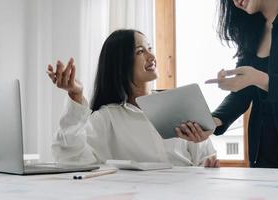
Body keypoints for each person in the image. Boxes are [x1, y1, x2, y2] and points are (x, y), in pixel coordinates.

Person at [47, 29, 219, 167]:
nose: (151, 57)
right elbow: (69, 158)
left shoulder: (180, 105)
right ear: (121, 62)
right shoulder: (107, 118)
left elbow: (205, 158)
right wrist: (76, 95)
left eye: (150, 49)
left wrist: (208, 164)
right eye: (140, 51)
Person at [177, 0, 278, 169]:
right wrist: (213, 122)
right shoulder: (252, 28)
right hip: (264, 160)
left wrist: (259, 79)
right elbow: (242, 94)